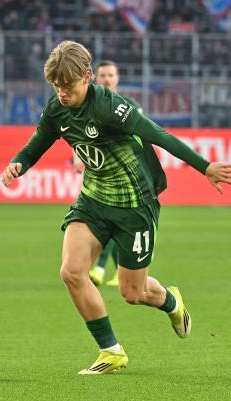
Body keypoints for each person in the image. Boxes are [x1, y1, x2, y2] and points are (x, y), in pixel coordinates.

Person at [1, 41, 231, 375]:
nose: (62, 93)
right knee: (71, 271)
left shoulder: (111, 107)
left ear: (87, 77)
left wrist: (205, 167)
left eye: (68, 86)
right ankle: (111, 351)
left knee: (133, 292)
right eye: (56, 86)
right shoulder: (57, 108)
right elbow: (37, 143)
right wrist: (18, 164)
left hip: (135, 206)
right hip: (94, 201)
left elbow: (158, 134)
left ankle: (172, 303)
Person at [86, 59, 143, 288]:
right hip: (98, 173)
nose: (107, 79)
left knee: (112, 222)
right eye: (103, 75)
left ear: (117, 78)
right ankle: (118, 271)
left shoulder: (129, 105)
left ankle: (100, 268)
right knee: (106, 222)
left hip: (125, 175)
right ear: (95, 78)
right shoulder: (88, 106)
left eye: (111, 75)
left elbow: (138, 139)